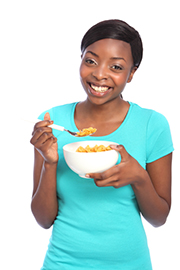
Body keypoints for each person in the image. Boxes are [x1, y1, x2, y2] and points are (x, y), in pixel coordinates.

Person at [30, 19, 174, 270]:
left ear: (131, 73)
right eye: (91, 61)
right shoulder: (52, 121)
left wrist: (139, 177)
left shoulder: (152, 124)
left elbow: (159, 218)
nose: (99, 74)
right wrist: (50, 163)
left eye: (116, 66)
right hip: (62, 263)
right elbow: (43, 220)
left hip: (131, 264)